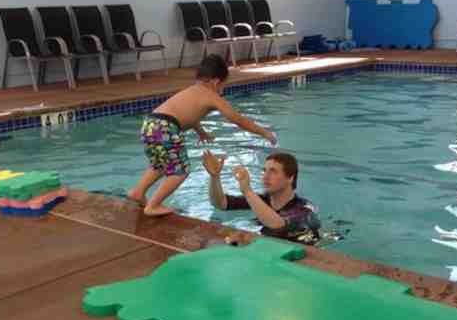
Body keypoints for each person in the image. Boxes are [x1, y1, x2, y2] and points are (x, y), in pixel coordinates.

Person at [128, 54, 277, 217]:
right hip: (166, 127)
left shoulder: (191, 91)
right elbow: (238, 120)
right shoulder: (212, 96)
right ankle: (153, 205)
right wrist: (264, 133)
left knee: (159, 164)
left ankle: (138, 192)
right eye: (223, 85)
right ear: (216, 82)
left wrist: (201, 132)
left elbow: (188, 116)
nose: (222, 90)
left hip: (151, 124)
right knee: (181, 171)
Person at [202, 150, 322, 245]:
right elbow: (221, 203)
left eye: (273, 171)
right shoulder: (262, 201)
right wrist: (215, 177)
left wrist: (247, 190)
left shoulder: (304, 209)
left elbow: (277, 224)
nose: (265, 177)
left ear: (290, 178)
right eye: (264, 171)